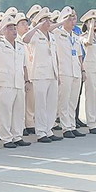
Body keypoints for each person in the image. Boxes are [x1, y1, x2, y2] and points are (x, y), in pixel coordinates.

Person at [0, 14, 29, 148]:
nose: (14, 31)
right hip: (5, 83)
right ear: (4, 30)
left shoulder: (21, 45)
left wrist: (26, 80)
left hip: (18, 82)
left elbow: (24, 64)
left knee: (18, 111)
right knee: (5, 111)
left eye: (14, 28)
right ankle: (6, 138)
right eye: (10, 28)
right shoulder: (0, 44)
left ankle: (17, 136)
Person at [23, 8, 59, 143]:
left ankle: (49, 130)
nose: (48, 22)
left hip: (52, 72)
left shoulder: (52, 36)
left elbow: (55, 56)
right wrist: (36, 26)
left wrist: (58, 73)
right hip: (40, 73)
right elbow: (24, 39)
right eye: (45, 20)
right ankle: (41, 132)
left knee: (51, 104)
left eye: (49, 20)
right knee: (41, 104)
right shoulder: (35, 35)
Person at [53, 7, 85, 139]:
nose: (72, 21)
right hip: (64, 71)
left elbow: (78, 55)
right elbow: (48, 29)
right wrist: (61, 21)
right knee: (64, 101)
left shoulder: (76, 37)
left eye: (73, 18)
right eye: (69, 19)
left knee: (73, 101)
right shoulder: (58, 33)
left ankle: (72, 125)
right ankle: (66, 127)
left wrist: (82, 70)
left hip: (75, 71)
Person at [79, 10, 96, 134]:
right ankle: (91, 123)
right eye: (92, 21)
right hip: (90, 69)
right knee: (91, 96)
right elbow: (88, 43)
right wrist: (90, 28)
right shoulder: (84, 36)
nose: (95, 23)